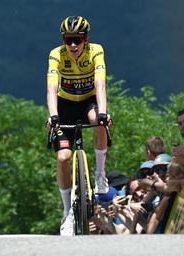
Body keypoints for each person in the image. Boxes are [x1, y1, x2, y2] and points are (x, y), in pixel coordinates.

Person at [46, 16, 111, 236]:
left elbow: (100, 84)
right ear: (64, 40)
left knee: (99, 121)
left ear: (86, 39)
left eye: (78, 39)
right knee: (63, 158)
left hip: (88, 102)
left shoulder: (96, 51)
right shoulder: (57, 54)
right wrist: (53, 116)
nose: (73, 45)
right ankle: (67, 213)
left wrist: (103, 112)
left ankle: (100, 173)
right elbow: (51, 88)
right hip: (64, 106)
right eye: (69, 39)